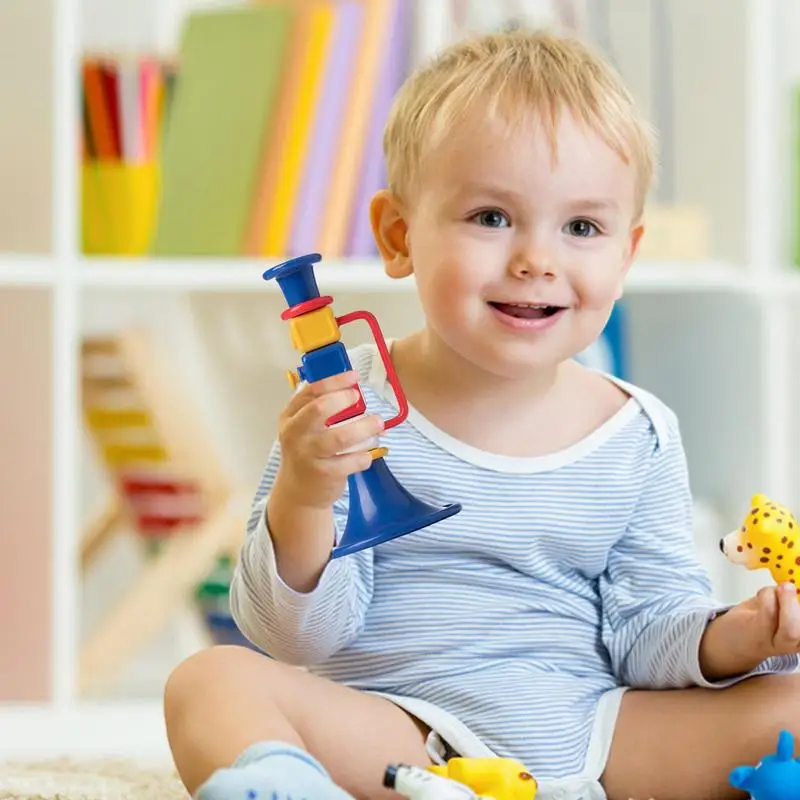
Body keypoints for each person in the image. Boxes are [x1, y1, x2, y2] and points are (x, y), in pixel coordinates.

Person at [163, 28, 800, 800]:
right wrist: (306, 492)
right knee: (212, 681)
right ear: (399, 236)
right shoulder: (346, 405)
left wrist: (743, 637)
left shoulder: (638, 432)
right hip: (402, 739)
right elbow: (293, 637)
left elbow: (647, 631)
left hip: (597, 735)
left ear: (625, 258)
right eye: (493, 217)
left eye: (582, 228)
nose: (537, 259)